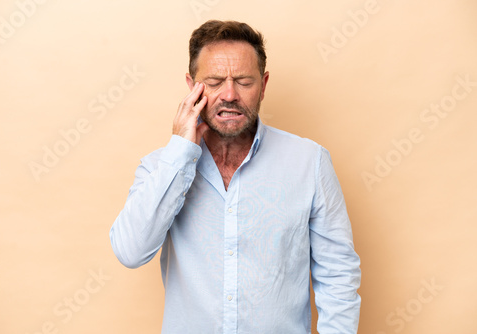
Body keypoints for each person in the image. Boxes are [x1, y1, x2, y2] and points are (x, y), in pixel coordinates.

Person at [110, 20, 361, 334]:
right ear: (192, 87)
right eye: (215, 81)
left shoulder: (309, 163)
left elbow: (338, 275)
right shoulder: (160, 167)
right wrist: (179, 151)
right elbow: (130, 251)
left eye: (243, 81)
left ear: (264, 85)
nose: (229, 94)